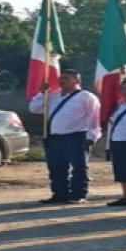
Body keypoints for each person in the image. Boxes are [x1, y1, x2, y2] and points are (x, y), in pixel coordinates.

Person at [29, 69, 101, 204]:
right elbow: (34, 108)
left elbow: (94, 118)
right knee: (56, 167)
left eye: (67, 78)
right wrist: (41, 93)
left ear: (77, 81)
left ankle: (78, 194)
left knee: (79, 167)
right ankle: (59, 194)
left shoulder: (86, 97)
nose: (62, 81)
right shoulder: (53, 95)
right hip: (54, 137)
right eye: (61, 78)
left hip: (76, 136)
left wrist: (92, 136)